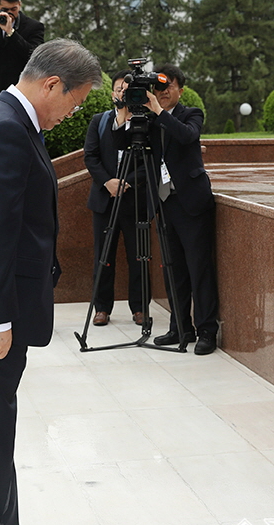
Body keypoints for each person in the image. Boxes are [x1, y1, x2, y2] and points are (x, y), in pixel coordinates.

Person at [0, 38, 101, 525]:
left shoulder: (9, 119)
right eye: (73, 101)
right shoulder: (6, 128)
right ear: (52, 84)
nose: (73, 114)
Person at [139, 64, 221, 356]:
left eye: (168, 87)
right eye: (157, 89)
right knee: (173, 271)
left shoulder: (191, 114)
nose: (162, 93)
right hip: (164, 202)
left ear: (180, 90)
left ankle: (207, 331)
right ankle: (179, 327)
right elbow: (125, 143)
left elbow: (187, 136)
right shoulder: (149, 118)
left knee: (199, 269)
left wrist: (159, 114)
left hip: (192, 202)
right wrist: (126, 111)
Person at [83, 71, 148, 327]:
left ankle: (140, 308)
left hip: (134, 201)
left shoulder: (145, 122)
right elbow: (91, 157)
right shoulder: (99, 120)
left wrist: (128, 181)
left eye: (128, 89)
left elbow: (150, 162)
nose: (123, 92)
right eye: (120, 88)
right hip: (104, 200)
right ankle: (102, 308)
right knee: (103, 256)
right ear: (113, 93)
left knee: (138, 257)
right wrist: (107, 182)